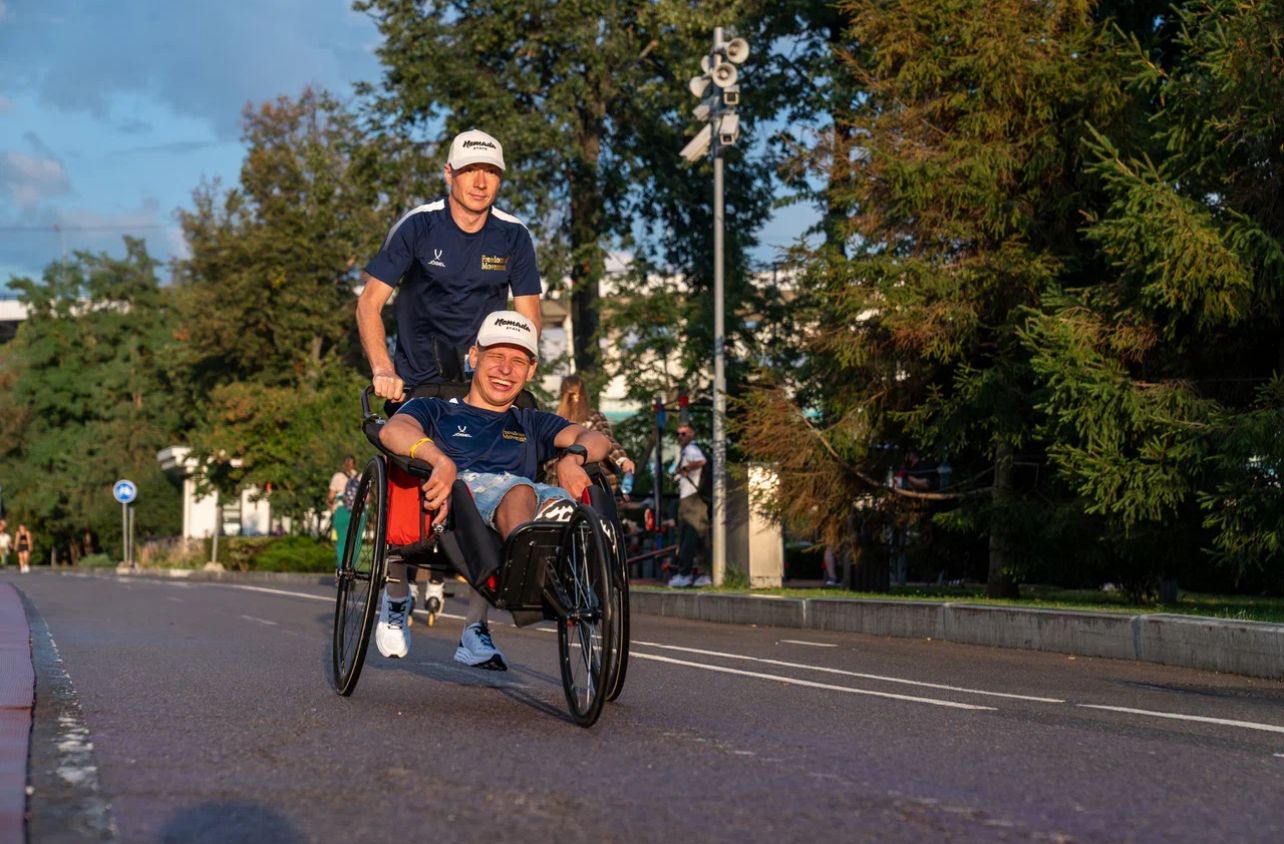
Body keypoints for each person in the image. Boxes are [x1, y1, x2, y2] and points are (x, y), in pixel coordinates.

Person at [356, 128, 544, 652]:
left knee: (509, 469)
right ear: (449, 175)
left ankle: (477, 628)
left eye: (491, 173)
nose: (481, 182)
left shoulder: (513, 236)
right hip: (418, 376)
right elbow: (369, 303)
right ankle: (396, 595)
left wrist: (517, 369)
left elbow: (528, 320)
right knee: (409, 478)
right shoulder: (418, 226)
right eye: (470, 172)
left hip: (482, 380)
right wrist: (381, 367)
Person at [375, 311, 611, 668]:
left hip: (525, 502)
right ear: (474, 357)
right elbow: (393, 430)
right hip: (461, 501)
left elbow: (595, 438)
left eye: (518, 361)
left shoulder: (531, 421)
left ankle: (568, 558)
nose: (506, 370)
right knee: (517, 488)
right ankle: (531, 565)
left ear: (530, 371)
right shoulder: (435, 409)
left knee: (560, 499)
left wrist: (573, 457)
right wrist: (438, 458)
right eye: (496, 357)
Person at [541, 375, 635, 486]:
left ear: (562, 394)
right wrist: (622, 459)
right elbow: (606, 440)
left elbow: (605, 441)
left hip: (565, 483)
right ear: (584, 395)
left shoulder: (554, 420)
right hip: (589, 482)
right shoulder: (593, 417)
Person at [668, 422, 709, 588]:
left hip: (692, 498)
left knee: (687, 537)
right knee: (697, 538)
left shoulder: (692, 449)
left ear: (692, 434)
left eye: (684, 433)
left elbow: (701, 461)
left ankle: (684, 574)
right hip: (690, 498)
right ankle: (704, 574)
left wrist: (685, 467)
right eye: (678, 433)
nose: (680, 437)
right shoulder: (686, 450)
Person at [329, 455, 358, 568]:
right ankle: (352, 567)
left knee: (342, 541)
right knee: (355, 541)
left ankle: (342, 568)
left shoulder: (337, 477)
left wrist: (331, 502)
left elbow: (331, 496)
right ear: (354, 465)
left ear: (343, 464)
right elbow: (369, 498)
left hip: (341, 510)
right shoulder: (360, 477)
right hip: (357, 513)